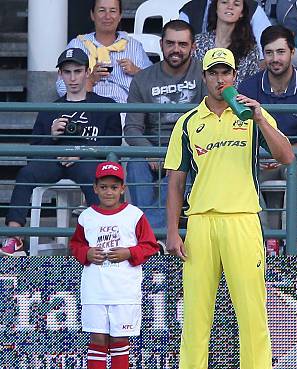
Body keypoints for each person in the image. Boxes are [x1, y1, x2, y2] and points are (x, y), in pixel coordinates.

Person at [165, 48, 293, 369]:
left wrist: (260, 118)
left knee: (252, 311)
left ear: (235, 76)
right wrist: (173, 231)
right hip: (201, 222)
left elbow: (286, 157)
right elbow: (176, 180)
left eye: (226, 73)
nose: (220, 80)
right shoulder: (188, 121)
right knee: (195, 314)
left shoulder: (253, 113)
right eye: (213, 73)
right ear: (204, 77)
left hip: (242, 219)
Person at [0, 48, 122, 257]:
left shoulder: (106, 105)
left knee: (95, 175)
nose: (73, 78)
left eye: (77, 71)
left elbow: (113, 143)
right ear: (60, 74)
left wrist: (82, 153)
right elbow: (35, 150)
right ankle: (15, 236)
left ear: (87, 72)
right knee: (26, 173)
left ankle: (101, 236)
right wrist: (52, 135)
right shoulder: (51, 109)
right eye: (67, 72)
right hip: (55, 162)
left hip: (87, 163)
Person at [238, 25, 297, 255]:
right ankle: (263, 241)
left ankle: (293, 244)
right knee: (238, 169)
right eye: (269, 53)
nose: (275, 58)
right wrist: (263, 156)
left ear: (292, 52)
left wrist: (282, 155)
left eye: (280, 52)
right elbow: (240, 131)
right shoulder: (248, 87)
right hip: (261, 156)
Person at [69, 161, 159, 369]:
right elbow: (76, 245)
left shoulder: (134, 215)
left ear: (122, 189)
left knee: (120, 337)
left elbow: (150, 246)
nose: (108, 192)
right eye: (103, 187)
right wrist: (87, 254)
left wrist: (129, 252)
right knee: (97, 337)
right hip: (95, 290)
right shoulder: (87, 216)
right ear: (95, 188)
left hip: (124, 290)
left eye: (113, 187)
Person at [124, 20, 206, 234]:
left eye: (182, 44)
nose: (176, 49)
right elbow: (132, 129)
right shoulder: (143, 78)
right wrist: (151, 153)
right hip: (153, 152)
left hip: (189, 151)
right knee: (135, 163)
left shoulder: (204, 75)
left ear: (193, 46)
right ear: (161, 44)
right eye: (170, 43)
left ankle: (143, 234)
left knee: (181, 173)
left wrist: (178, 154)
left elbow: (210, 122)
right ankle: (155, 235)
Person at [57, 0, 152, 104]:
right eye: (102, 10)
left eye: (113, 11)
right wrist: (90, 80)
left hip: (125, 111)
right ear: (92, 15)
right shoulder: (78, 45)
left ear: (120, 16)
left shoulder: (134, 46)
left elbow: (154, 86)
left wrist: (137, 72)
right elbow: (62, 88)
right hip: (89, 111)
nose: (107, 16)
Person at [194, 0, 260, 87]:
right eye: (224, 2)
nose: (230, 7)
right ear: (216, 8)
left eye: (236, 4)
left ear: (242, 13)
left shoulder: (250, 49)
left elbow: (252, 85)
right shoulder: (198, 42)